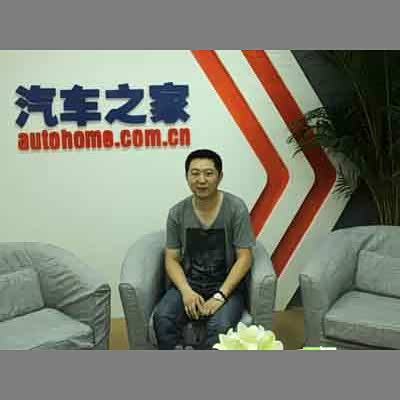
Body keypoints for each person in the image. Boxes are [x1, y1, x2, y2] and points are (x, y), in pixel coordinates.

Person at [153, 149, 256, 349]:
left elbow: (245, 257)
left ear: (220, 176)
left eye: (209, 173)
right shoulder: (177, 213)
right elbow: (171, 258)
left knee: (220, 327)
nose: (201, 180)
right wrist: (186, 292)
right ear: (187, 177)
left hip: (226, 286)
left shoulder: (236, 208)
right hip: (190, 283)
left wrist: (220, 296)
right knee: (163, 318)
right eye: (195, 173)